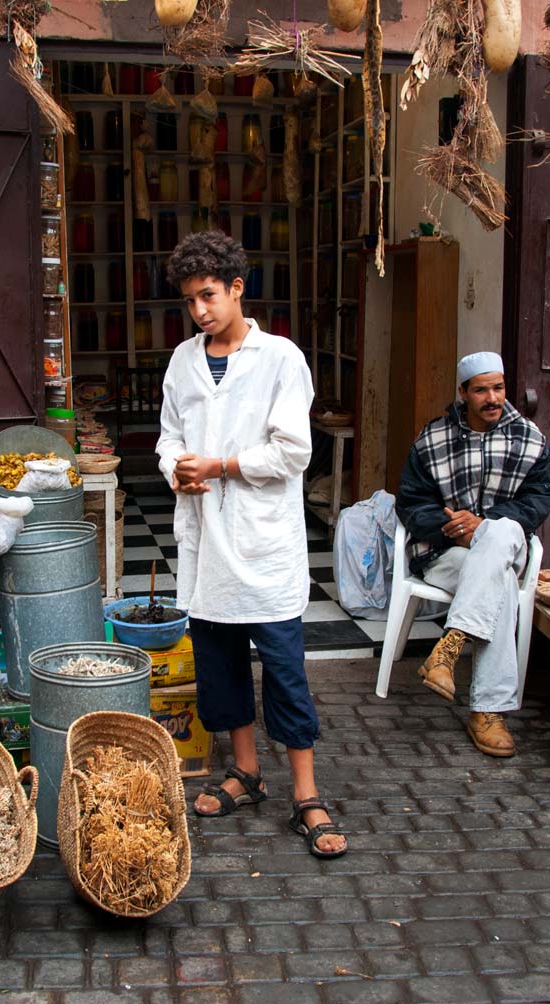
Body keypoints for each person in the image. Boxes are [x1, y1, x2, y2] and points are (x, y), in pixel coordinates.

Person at [156, 231, 346, 858]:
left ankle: (307, 793)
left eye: (209, 295)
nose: (200, 310)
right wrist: (177, 469)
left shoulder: (281, 359)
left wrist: (220, 466)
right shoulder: (183, 362)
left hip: (264, 545)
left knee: (285, 671)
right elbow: (167, 437)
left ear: (238, 288)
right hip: (207, 543)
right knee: (220, 665)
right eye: (190, 300)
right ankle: (244, 772)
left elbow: (294, 450)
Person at [395, 352, 550, 757]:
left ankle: (449, 648)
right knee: (500, 584)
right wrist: (452, 527)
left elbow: (541, 497)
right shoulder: (432, 439)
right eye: (481, 389)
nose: (492, 398)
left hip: (504, 546)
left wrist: (483, 525)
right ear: (463, 393)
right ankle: (488, 713)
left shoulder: (529, 438)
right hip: (445, 553)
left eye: (498, 388)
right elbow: (411, 503)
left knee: (501, 533)